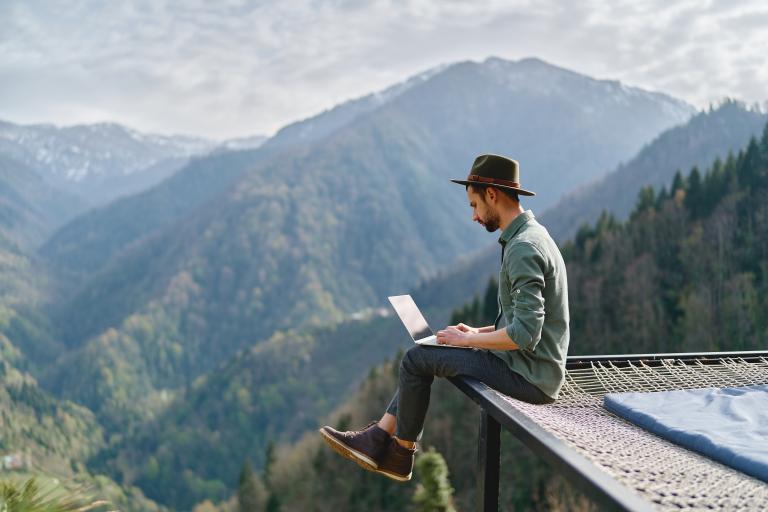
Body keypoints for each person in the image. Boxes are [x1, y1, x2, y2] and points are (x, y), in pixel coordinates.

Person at [319, 154, 570, 482]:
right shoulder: (531, 236)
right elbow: (521, 319)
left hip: (530, 377)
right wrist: (474, 332)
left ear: (491, 194)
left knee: (416, 359)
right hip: (530, 367)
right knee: (427, 353)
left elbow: (525, 334)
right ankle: (381, 438)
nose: (474, 216)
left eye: (473, 205)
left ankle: (398, 453)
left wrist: (467, 341)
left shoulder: (523, 247)